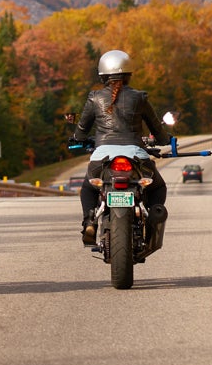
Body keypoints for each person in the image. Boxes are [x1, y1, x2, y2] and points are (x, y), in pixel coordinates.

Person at [68, 49, 168, 247]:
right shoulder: (140, 97)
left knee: (88, 189)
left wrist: (78, 138)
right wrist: (164, 140)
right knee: (158, 186)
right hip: (136, 156)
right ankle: (151, 219)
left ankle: (89, 222)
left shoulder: (94, 98)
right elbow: (157, 129)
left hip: (102, 158)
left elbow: (81, 132)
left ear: (103, 75)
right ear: (129, 74)